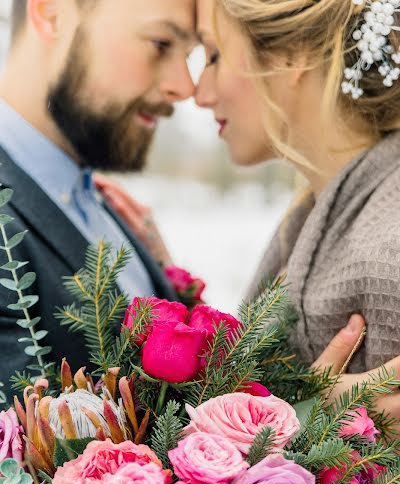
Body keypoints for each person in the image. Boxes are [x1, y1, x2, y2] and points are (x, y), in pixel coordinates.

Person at [195, 0, 400, 423]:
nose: (200, 93)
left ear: (294, 55)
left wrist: (314, 429)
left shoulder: (385, 255)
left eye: (213, 55)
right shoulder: (312, 214)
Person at [0, 0, 196, 397]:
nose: (184, 87)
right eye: (161, 43)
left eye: (189, 55)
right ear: (52, 13)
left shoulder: (106, 206)